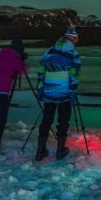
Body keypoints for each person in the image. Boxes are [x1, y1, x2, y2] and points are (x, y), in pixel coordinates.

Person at [35, 27, 82, 161]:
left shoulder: (49, 52)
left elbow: (41, 71)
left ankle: (40, 150)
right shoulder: (74, 54)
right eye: (76, 38)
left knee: (46, 120)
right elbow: (73, 76)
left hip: (49, 91)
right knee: (63, 121)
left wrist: (41, 88)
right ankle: (60, 150)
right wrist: (73, 92)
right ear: (72, 38)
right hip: (64, 93)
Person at [0, 37, 29, 160]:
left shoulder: (2, 54)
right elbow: (23, 71)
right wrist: (22, 60)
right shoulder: (15, 58)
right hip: (0, 92)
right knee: (0, 121)